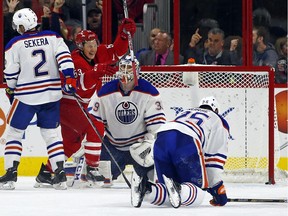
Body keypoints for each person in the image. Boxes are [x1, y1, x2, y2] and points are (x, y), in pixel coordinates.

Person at [35, 18, 137, 187]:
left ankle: (46, 172)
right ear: (80, 47)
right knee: (95, 124)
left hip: (79, 105)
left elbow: (117, 52)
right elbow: (80, 88)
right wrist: (95, 73)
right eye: (88, 45)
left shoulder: (99, 53)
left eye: (94, 44)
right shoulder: (74, 60)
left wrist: (124, 34)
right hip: (67, 104)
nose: (92, 48)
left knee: (71, 143)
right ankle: (92, 168)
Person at [0, 8, 76, 190]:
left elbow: (11, 73)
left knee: (14, 134)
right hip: (51, 94)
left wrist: (11, 88)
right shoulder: (53, 37)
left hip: (26, 95)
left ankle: (10, 174)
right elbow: (65, 58)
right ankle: (59, 174)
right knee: (51, 135)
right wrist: (70, 78)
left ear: (22, 24)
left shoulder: (14, 44)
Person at [131, 96, 230, 208]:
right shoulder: (218, 119)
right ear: (216, 110)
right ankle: (179, 188)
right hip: (185, 141)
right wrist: (217, 188)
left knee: (170, 192)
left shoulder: (185, 112)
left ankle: (146, 190)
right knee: (198, 194)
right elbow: (213, 159)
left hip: (161, 138)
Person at [88, 55, 166, 185]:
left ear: (137, 71)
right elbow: (93, 122)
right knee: (100, 183)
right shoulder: (104, 92)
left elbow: (157, 128)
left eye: (129, 68)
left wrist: (148, 143)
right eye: (122, 67)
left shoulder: (150, 92)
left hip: (139, 146)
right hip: (113, 146)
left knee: (149, 183)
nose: (125, 71)